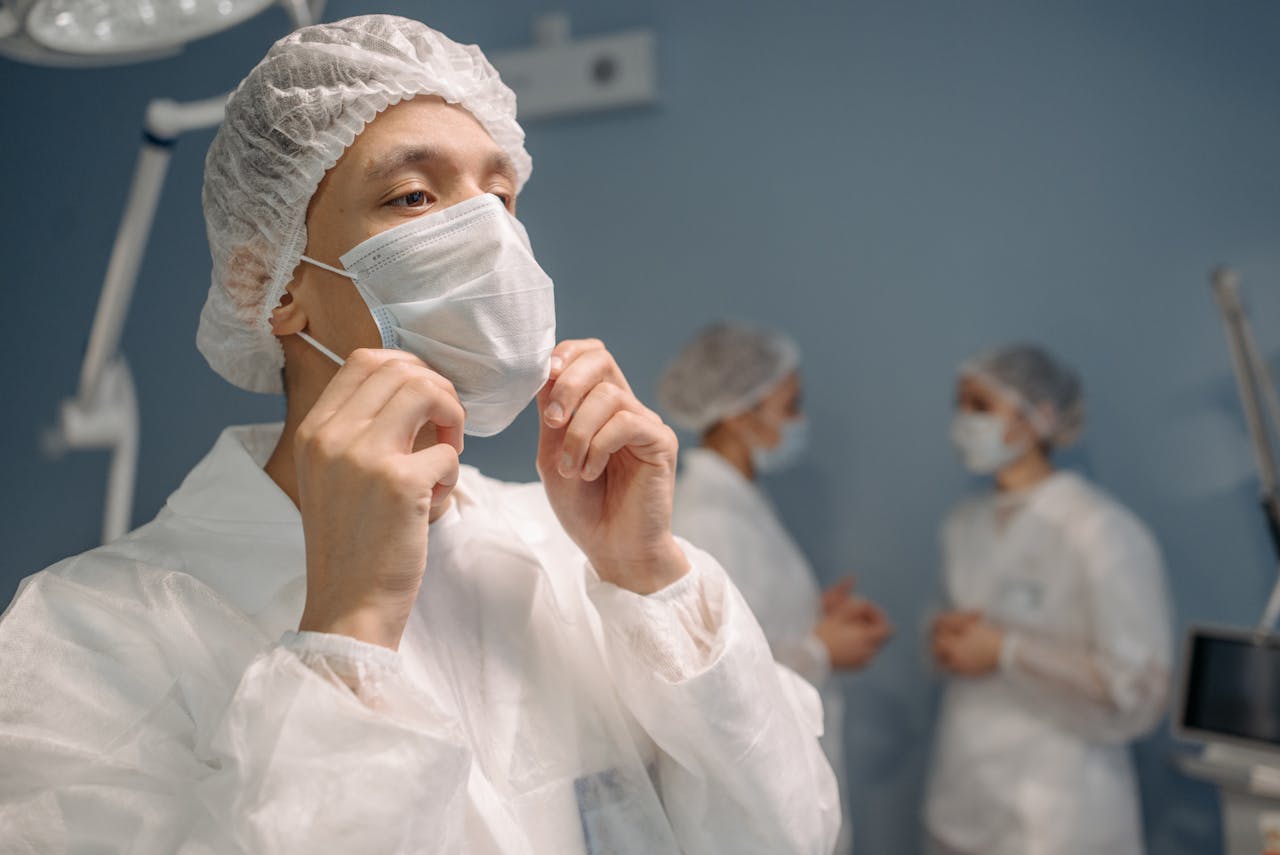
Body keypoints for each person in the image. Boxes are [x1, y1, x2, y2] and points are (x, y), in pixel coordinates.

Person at [0, 17, 840, 853]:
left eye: (502, 198)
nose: (491, 241)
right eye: (414, 196)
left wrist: (651, 577)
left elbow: (782, 834)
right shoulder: (84, 635)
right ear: (270, 282)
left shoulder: (571, 553)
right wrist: (349, 628)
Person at [925, 343, 1173, 855]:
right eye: (961, 405)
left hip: (1062, 805)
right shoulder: (963, 524)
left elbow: (1139, 684)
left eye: (981, 406)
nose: (965, 420)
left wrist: (1007, 651)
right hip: (965, 787)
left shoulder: (1100, 530)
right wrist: (946, 640)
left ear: (1040, 416)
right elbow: (962, 621)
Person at [658, 322, 893, 855]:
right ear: (741, 414)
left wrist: (812, 613)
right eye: (791, 405)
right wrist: (820, 649)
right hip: (750, 796)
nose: (800, 421)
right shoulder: (709, 516)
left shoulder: (739, 501)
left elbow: (747, 618)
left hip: (780, 771)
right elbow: (709, 675)